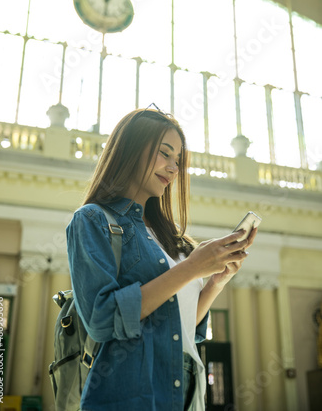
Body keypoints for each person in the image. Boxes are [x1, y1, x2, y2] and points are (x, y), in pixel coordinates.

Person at [67, 105, 257, 411]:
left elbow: (180, 326)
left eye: (178, 160)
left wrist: (215, 283)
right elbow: (101, 319)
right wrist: (192, 267)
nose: (173, 167)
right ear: (129, 149)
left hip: (187, 393)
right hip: (130, 393)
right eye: (164, 153)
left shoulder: (174, 240)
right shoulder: (93, 220)